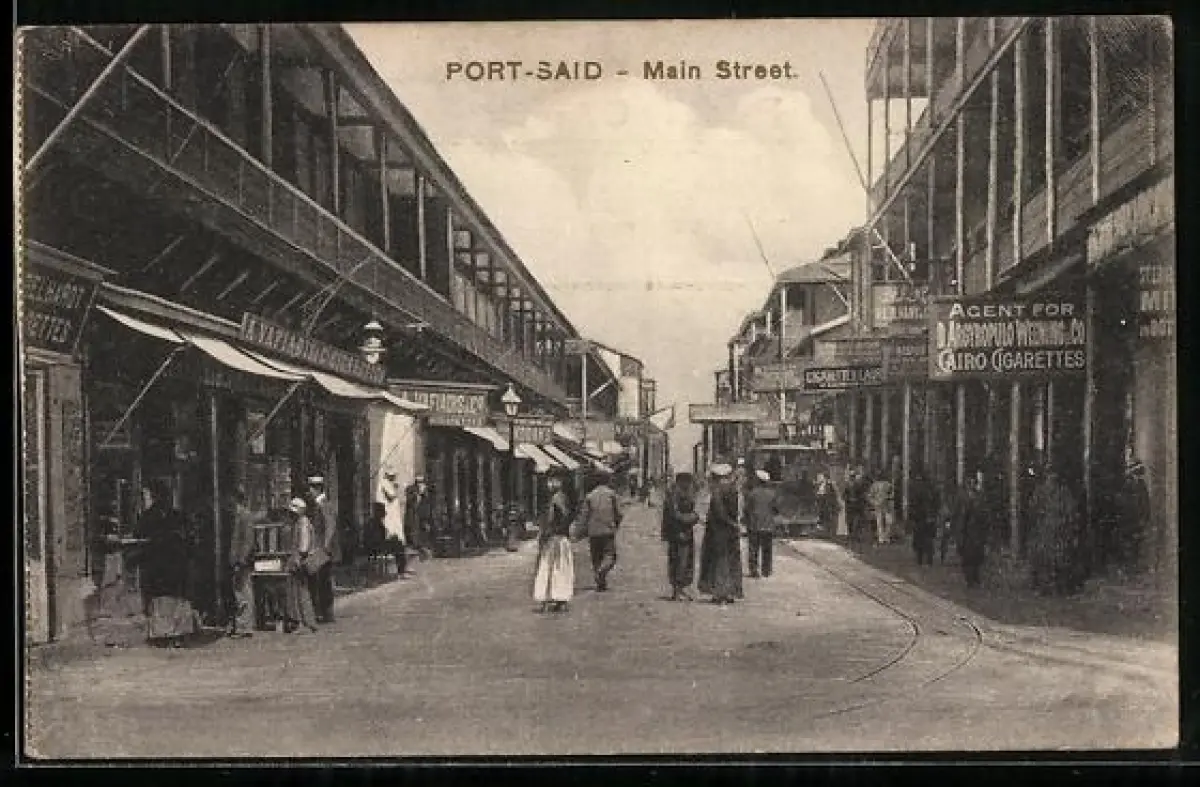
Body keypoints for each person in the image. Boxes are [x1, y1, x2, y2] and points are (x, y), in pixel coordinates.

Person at [132, 480, 199, 647]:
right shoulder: (172, 516)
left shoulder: (155, 516)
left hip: (165, 565)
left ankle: (168, 633)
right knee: (170, 598)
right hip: (170, 565)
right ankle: (173, 633)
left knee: (167, 598)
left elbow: (139, 536)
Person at [1028, 460, 1082, 596]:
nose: (1052, 477)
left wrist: (1069, 526)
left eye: (1054, 474)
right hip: (1045, 531)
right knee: (1044, 560)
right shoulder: (1040, 492)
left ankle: (1058, 587)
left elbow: (1071, 512)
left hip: (1059, 532)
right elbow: (1033, 510)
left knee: (1060, 560)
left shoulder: (1063, 493)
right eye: (1049, 474)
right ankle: (1044, 587)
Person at [698, 463, 744, 605]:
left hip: (718, 531)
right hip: (730, 531)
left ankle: (720, 593)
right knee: (731, 561)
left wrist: (730, 523)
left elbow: (719, 512)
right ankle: (730, 592)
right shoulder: (733, 490)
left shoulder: (717, 491)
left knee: (718, 562)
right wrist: (735, 524)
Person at [532, 473, 575, 613]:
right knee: (561, 568)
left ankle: (547, 597)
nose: (548, 484)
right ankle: (560, 597)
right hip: (562, 538)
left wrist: (544, 533)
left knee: (548, 567)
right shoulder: (563, 498)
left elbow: (551, 520)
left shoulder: (555, 500)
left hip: (554, 538)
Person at [578, 469, 623, 592]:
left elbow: (584, 515)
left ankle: (600, 582)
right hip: (607, 530)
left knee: (596, 557)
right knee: (610, 556)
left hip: (593, 531)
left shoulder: (590, 496)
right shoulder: (611, 494)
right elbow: (619, 513)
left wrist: (581, 530)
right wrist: (616, 524)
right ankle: (601, 572)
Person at [660, 472, 699, 601]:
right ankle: (677, 589)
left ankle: (680, 589)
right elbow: (675, 515)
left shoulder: (683, 493)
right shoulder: (674, 495)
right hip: (678, 532)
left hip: (685, 532)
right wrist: (693, 518)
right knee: (680, 561)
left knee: (685, 561)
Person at [305, 475, 337, 624]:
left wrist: (325, 547)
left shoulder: (324, 505)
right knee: (321, 581)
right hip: (319, 549)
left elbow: (330, 527)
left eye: (311, 488)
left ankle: (326, 613)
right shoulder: (318, 505)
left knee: (323, 581)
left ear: (317, 489)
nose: (310, 492)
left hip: (322, 551)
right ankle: (323, 612)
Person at [284, 497, 319, 634]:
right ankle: (306, 622)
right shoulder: (302, 522)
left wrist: (297, 560)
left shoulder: (302, 523)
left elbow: (303, 546)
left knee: (300, 593)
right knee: (300, 592)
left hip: (300, 561)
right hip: (300, 561)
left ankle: (305, 623)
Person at [227, 486, 256, 638]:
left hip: (242, 561)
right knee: (239, 592)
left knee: (243, 592)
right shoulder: (237, 516)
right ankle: (240, 624)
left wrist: (241, 560)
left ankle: (245, 626)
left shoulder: (245, 516)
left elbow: (248, 541)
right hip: (236, 560)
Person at [955, 469, 989, 588]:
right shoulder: (964, 497)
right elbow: (960, 516)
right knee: (969, 557)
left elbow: (984, 515)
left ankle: (974, 578)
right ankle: (971, 579)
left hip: (974, 531)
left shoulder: (978, 497)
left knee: (975, 556)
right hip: (969, 532)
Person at [745, 469, 779, 579]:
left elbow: (747, 509)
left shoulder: (752, 493)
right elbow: (776, 510)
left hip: (755, 525)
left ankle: (754, 571)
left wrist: (746, 520)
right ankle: (766, 570)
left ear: (758, 481)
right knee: (767, 549)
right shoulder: (772, 494)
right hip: (768, 525)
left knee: (753, 549)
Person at [377, 467, 407, 569]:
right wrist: (397, 491)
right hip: (390, 514)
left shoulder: (389, 484)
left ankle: (401, 566)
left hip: (393, 514)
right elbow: (391, 496)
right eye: (392, 475)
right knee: (395, 538)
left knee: (398, 538)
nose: (394, 477)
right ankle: (400, 567)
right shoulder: (384, 483)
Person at [909, 465, 938, 566]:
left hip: (920, 517)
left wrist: (912, 516)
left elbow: (913, 503)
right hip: (930, 516)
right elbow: (937, 502)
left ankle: (920, 558)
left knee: (919, 537)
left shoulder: (917, 488)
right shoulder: (933, 489)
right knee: (929, 538)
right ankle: (929, 558)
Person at [404, 475, 434, 561]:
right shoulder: (410, 489)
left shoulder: (426, 490)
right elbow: (410, 502)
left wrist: (423, 493)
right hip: (414, 515)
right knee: (414, 532)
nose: (420, 484)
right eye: (418, 482)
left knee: (423, 532)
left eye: (421, 481)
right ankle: (417, 551)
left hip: (423, 515)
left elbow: (427, 502)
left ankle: (423, 552)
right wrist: (418, 494)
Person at [869, 468, 894, 546]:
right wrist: (874, 503)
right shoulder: (874, 485)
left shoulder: (888, 484)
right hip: (878, 506)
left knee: (888, 522)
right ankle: (881, 538)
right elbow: (870, 496)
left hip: (886, 505)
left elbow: (892, 494)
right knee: (880, 522)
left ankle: (886, 537)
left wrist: (888, 498)